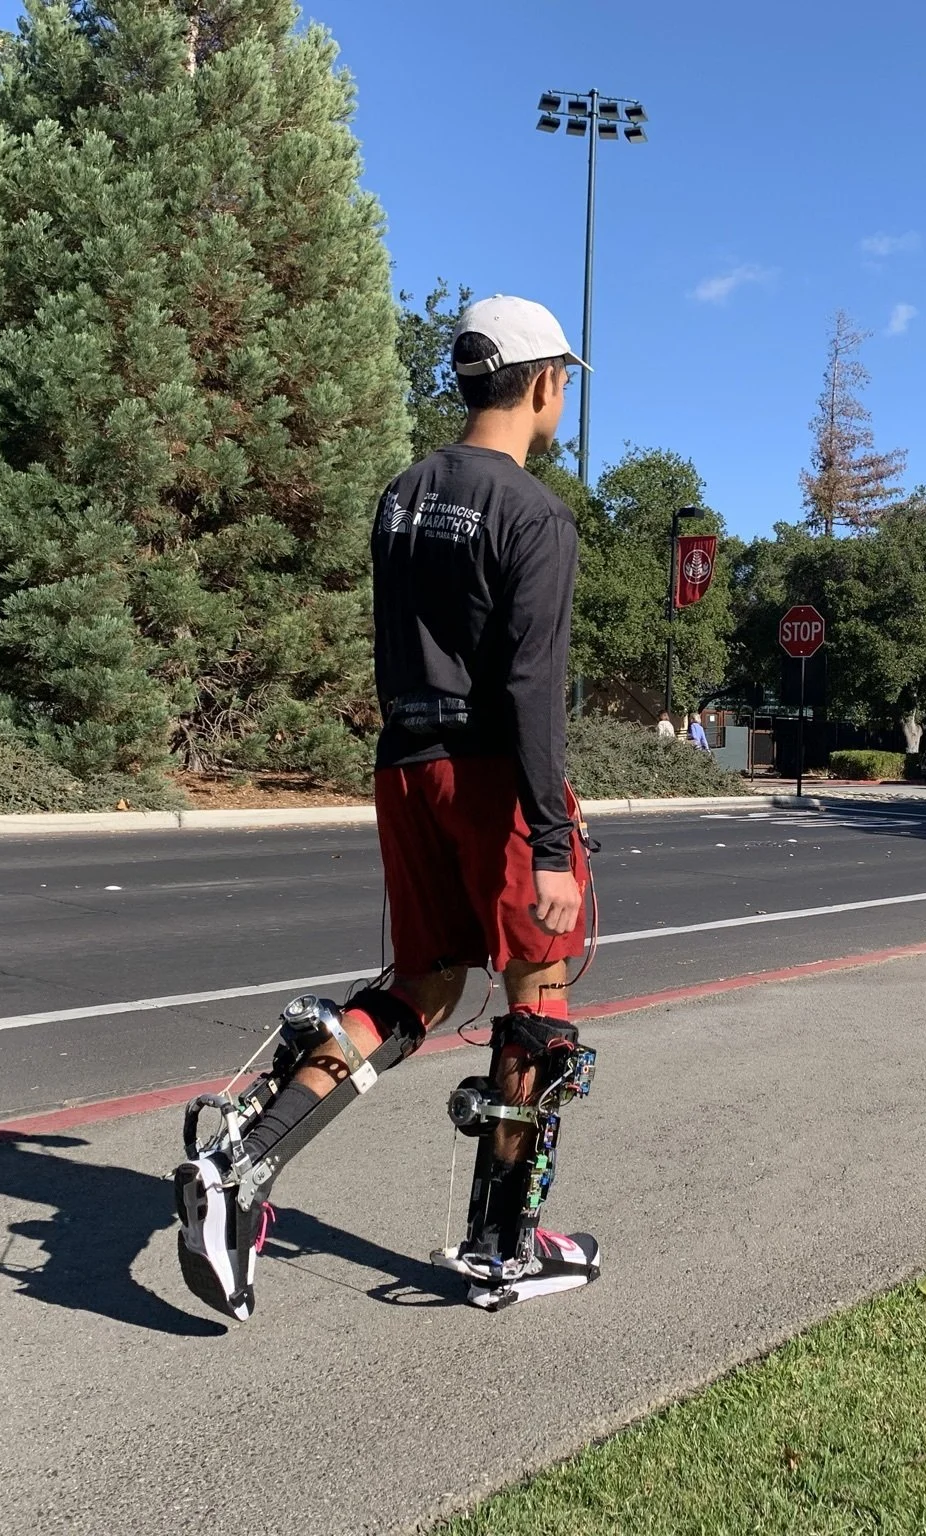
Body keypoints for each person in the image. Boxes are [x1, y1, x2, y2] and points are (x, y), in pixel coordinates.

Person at [174, 295, 598, 1318]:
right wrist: (547, 838)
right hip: (492, 774)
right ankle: (503, 1246)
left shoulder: (401, 495)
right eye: (563, 387)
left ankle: (240, 1165)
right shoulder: (532, 516)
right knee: (537, 1007)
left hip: (403, 764)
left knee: (422, 988)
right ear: (543, 384)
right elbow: (532, 686)